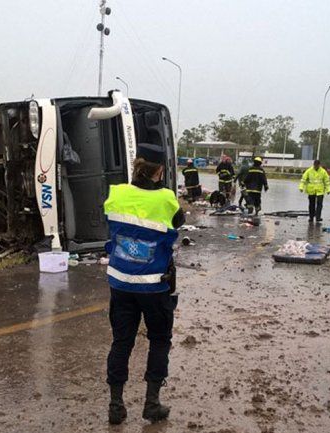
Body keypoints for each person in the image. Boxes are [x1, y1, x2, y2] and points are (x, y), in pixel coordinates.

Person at [104, 143, 184, 425]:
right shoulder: (166, 199)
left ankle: (116, 406)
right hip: (154, 287)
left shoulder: (116, 193)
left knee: (121, 342)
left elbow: (111, 228)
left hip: (121, 283)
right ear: (160, 170)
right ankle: (152, 404)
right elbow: (178, 222)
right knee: (160, 340)